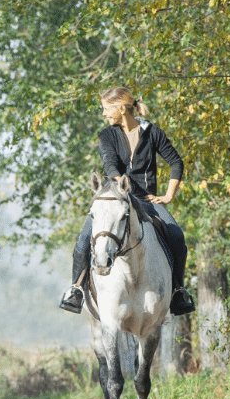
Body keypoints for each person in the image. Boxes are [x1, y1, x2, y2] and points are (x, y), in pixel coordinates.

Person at [59, 86, 196, 316]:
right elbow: (109, 164)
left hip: (146, 200)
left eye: (106, 109)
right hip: (115, 198)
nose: (103, 114)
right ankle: (76, 290)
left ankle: (178, 292)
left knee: (176, 236)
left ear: (122, 108)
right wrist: (119, 182)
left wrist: (169, 195)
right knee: (83, 241)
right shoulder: (106, 135)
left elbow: (176, 162)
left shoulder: (153, 132)